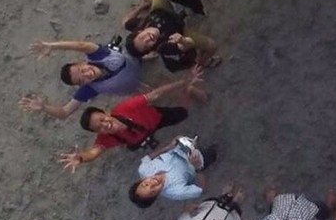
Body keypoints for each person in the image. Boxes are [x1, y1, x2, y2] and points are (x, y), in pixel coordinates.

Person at [57, 73, 204, 172]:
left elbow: (155, 94)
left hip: (155, 118)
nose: (104, 124)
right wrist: (81, 158)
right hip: (138, 136)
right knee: (136, 145)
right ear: (98, 133)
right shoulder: (105, 139)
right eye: (99, 127)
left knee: (182, 114)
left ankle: (188, 91)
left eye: (102, 119)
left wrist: (182, 82)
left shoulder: (125, 108)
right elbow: (94, 153)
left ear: (106, 113)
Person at [19, 37, 142, 120]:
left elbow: (80, 45)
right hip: (136, 86)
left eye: (82, 70)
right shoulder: (90, 89)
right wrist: (44, 107)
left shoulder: (98, 54)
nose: (87, 75)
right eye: (81, 80)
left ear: (82, 63)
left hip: (137, 57)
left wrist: (52, 46)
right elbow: (64, 112)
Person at [123, 0, 220, 70]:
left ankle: (147, 2)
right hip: (181, 31)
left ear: (139, 32)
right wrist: (181, 40)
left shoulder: (139, 25)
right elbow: (187, 44)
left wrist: (142, 6)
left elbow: (125, 21)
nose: (147, 39)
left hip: (161, 11)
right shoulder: (163, 46)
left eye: (141, 37)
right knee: (212, 45)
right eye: (146, 45)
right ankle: (203, 60)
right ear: (150, 50)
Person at [129, 135, 217, 207]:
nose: (153, 184)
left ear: (141, 180)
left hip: (180, 147)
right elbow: (202, 189)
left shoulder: (143, 169)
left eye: (146, 184)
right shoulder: (176, 192)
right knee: (213, 152)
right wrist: (197, 168)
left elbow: (149, 157)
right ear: (156, 196)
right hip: (197, 160)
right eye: (153, 191)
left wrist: (168, 147)